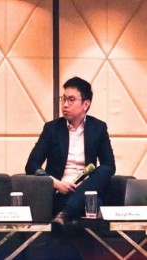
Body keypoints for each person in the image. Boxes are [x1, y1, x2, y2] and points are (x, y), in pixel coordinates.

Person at [25, 77, 116, 232]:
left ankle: (65, 213)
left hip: (87, 188)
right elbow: (31, 165)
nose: (65, 105)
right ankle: (67, 210)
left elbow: (109, 165)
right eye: (64, 99)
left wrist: (85, 185)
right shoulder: (52, 129)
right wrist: (56, 183)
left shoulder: (98, 128)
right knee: (96, 204)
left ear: (86, 104)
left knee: (104, 169)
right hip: (60, 191)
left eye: (71, 100)